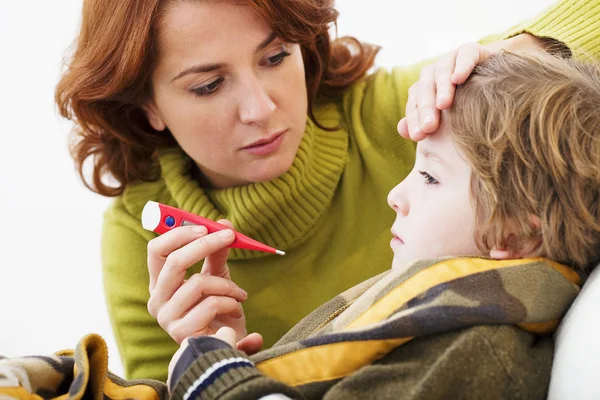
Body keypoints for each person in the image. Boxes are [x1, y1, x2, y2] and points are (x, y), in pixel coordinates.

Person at [55, 0, 600, 381]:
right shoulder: (142, 236)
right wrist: (214, 357)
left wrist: (523, 54)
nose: (261, 108)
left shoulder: (409, 118)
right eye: (209, 85)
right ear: (146, 103)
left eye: (275, 57)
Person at [164, 50, 600, 399]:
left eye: (429, 175)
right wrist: (236, 358)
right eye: (207, 85)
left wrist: (217, 380)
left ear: (515, 234)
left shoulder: (477, 353)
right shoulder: (447, 312)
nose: (395, 194)